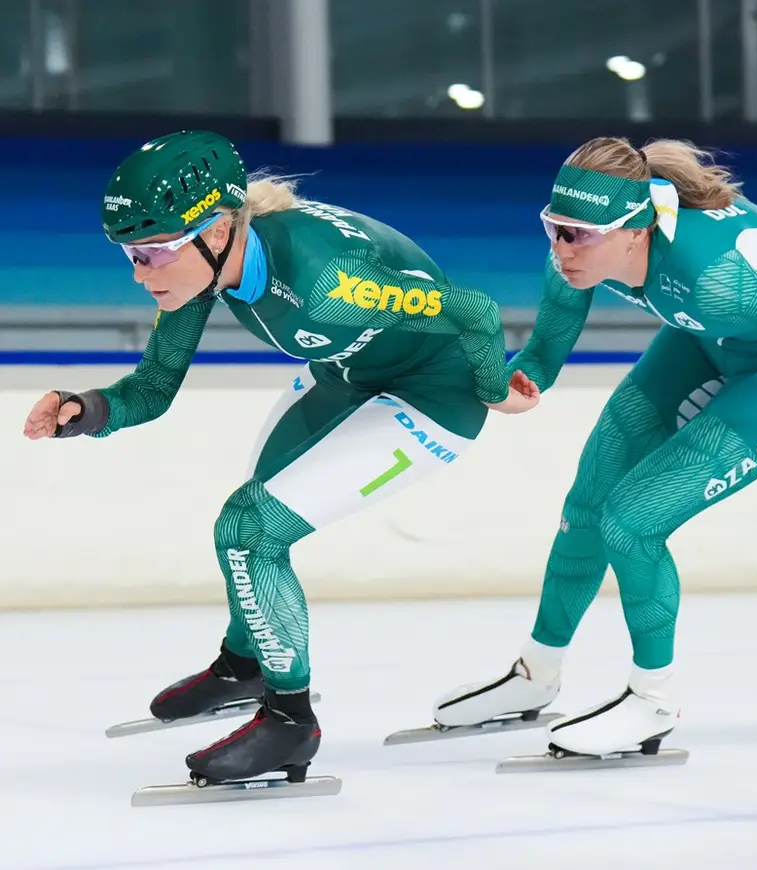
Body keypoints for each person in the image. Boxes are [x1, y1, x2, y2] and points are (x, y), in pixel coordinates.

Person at [22, 129, 538, 786]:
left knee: (250, 527)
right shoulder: (208, 268)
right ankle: (244, 665)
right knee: (250, 521)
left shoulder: (327, 281)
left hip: (432, 397)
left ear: (215, 228)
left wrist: (498, 392)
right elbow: (154, 388)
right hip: (348, 375)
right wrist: (85, 408)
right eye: (130, 253)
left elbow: (475, 311)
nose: (138, 273)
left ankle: (291, 722)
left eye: (151, 253)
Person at [431, 136, 757, 761]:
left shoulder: (714, 281)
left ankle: (652, 699)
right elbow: (548, 344)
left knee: (634, 519)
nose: (560, 249)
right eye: (554, 228)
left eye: (578, 235)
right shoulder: (587, 248)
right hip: (703, 338)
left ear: (636, 231)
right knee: (588, 502)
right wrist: (516, 381)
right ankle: (536, 673)